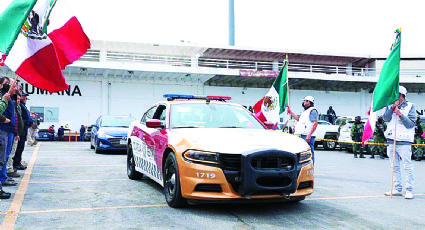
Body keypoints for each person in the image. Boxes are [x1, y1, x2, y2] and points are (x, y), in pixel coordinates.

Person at [382, 85, 415, 199]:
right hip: (392, 140)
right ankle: (397, 188)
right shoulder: (390, 105)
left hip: (404, 141)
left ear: (402, 96)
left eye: (397, 95)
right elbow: (385, 118)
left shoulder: (410, 106)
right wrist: (392, 108)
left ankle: (409, 189)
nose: (395, 97)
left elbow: (410, 124)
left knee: (407, 166)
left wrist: (400, 114)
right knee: (394, 166)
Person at [287, 96, 318, 163]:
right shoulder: (305, 111)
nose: (304, 102)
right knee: (304, 153)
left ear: (309, 102)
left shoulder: (312, 111)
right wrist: (291, 112)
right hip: (303, 135)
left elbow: (315, 123)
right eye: (304, 101)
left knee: (309, 153)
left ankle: (310, 167)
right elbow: (298, 119)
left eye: (305, 101)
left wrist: (309, 135)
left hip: (308, 136)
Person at [13, 92, 33, 171]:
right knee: (18, 147)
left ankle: (18, 162)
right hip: (21, 129)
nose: (25, 98)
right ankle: (16, 163)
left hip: (24, 128)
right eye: (23, 96)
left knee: (21, 147)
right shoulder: (19, 106)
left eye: (25, 97)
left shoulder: (23, 106)